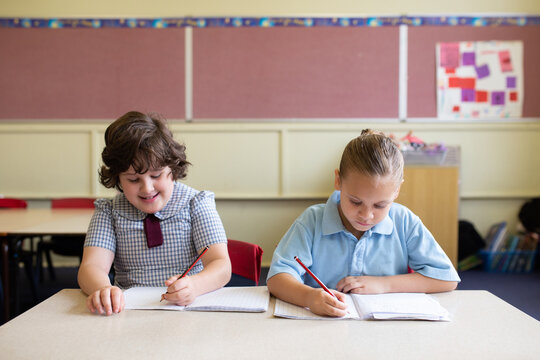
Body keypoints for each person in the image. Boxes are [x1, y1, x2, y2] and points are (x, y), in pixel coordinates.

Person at [267, 129, 460, 317]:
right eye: (355, 201)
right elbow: (277, 278)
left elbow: (446, 279)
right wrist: (308, 297)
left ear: (397, 191)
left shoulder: (404, 221)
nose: (366, 215)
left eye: (380, 205)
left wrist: (383, 285)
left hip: (386, 334)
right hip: (322, 329)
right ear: (338, 180)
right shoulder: (312, 221)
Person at [78, 111, 231, 316]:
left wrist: (194, 286)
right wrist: (103, 289)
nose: (147, 188)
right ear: (118, 179)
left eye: (156, 175)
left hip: (188, 309)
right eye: (133, 180)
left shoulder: (196, 203)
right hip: (128, 312)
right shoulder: (110, 211)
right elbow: (91, 266)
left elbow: (221, 265)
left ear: (173, 167)